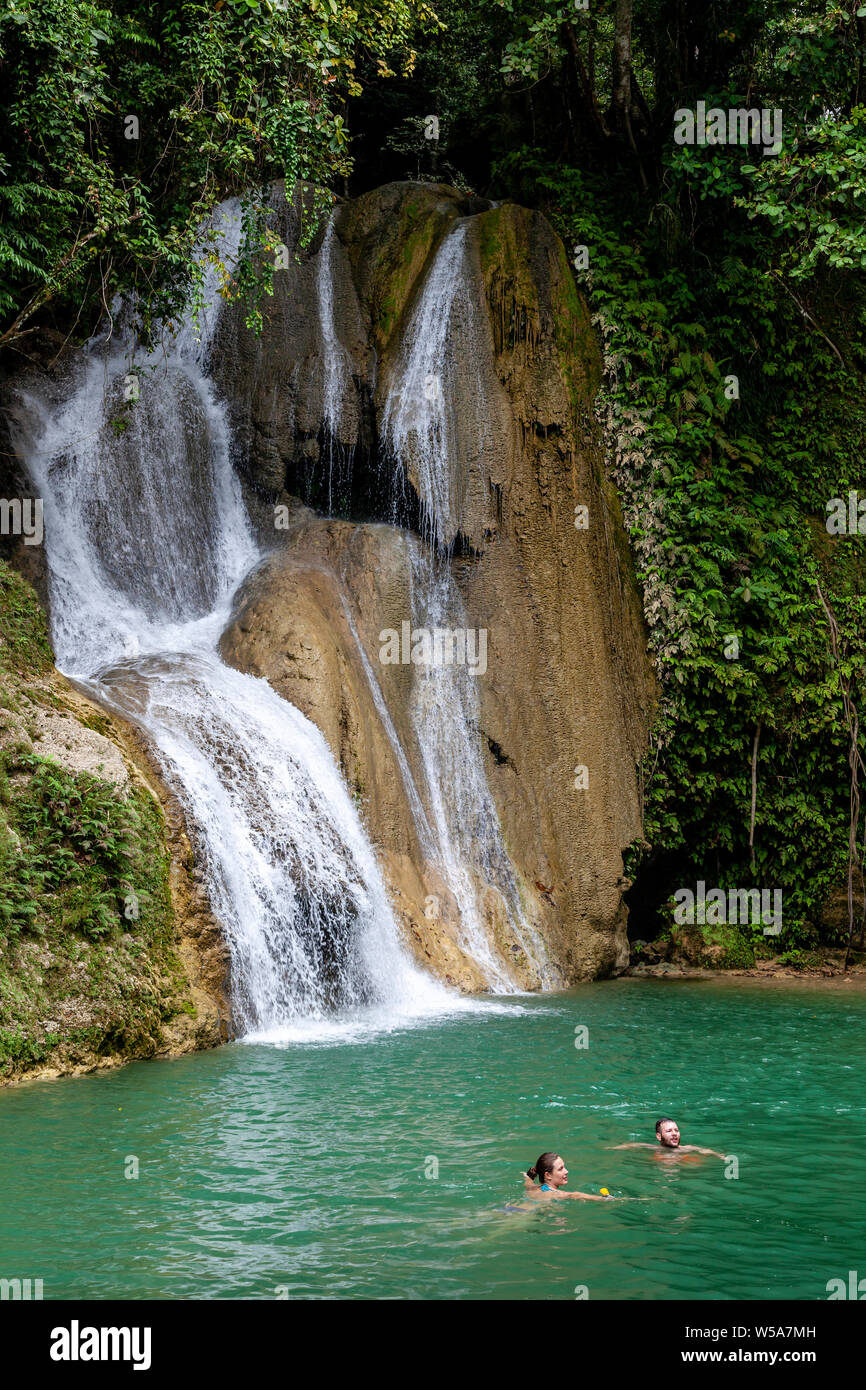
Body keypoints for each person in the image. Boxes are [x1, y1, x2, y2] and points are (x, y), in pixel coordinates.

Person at [611, 1117, 726, 1158]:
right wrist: (613, 1149)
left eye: (676, 1130)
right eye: (669, 1131)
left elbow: (704, 1151)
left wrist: (720, 1156)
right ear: (658, 1136)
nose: (674, 1133)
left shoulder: (686, 1148)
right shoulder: (654, 1149)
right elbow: (633, 1145)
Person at [523, 1152, 615, 1200]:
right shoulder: (556, 1194)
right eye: (560, 1169)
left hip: (511, 1209)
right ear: (548, 1175)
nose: (566, 1171)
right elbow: (575, 1195)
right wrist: (603, 1199)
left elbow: (528, 1181)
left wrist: (529, 1176)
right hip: (521, 1217)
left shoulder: (533, 1188)